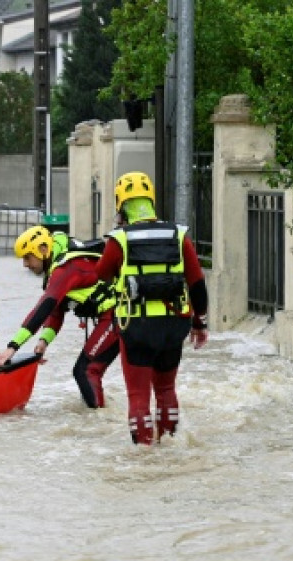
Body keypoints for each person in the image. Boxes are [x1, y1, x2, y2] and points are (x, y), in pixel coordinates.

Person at [93, 171, 209, 445]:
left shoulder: (118, 239)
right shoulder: (179, 235)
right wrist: (200, 323)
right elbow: (197, 283)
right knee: (166, 388)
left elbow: (102, 275)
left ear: (121, 204)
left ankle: (144, 456)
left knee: (138, 394)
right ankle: (169, 443)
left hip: (137, 327)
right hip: (174, 324)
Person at [0, 226, 119, 408]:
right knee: (85, 371)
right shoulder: (60, 266)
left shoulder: (66, 268)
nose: (25, 264)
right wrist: (44, 342)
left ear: (43, 249)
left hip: (118, 315)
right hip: (115, 316)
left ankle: (102, 421)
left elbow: (43, 308)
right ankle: (99, 418)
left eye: (28, 257)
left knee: (86, 371)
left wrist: (12, 347)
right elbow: (57, 312)